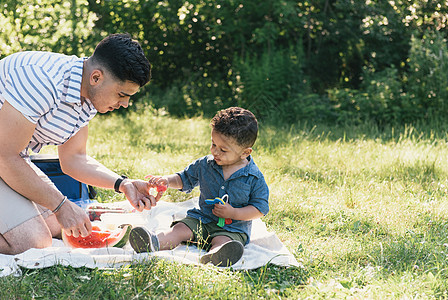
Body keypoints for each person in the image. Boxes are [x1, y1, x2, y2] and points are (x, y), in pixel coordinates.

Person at [0, 33, 157, 255]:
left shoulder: (88, 95)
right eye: (121, 95)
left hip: (10, 157)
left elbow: (74, 159)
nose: (125, 104)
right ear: (96, 77)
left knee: (59, 227)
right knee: (34, 242)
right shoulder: (42, 80)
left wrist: (123, 184)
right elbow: (4, 157)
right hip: (4, 156)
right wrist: (60, 205)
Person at [129, 107, 270, 267]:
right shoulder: (205, 164)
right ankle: (153, 241)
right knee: (180, 229)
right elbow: (184, 178)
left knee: (223, 240)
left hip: (232, 228)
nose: (215, 151)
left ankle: (216, 255)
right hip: (202, 219)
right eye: (213, 144)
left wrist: (234, 212)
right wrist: (167, 180)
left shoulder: (253, 177)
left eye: (223, 150)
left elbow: (259, 208)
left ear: (245, 152)